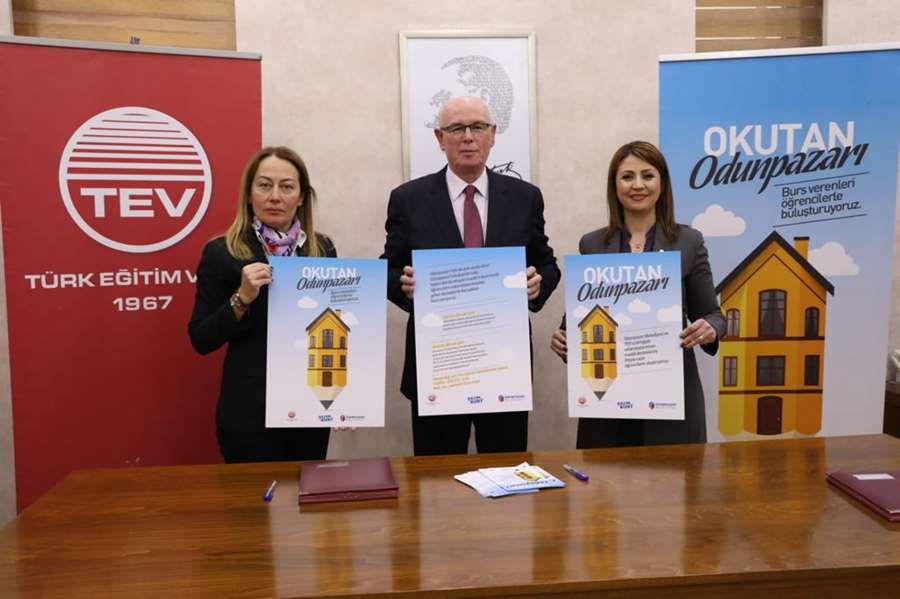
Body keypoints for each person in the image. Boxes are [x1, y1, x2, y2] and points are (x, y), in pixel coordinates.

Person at [381, 96, 560, 456]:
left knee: (506, 475)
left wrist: (536, 284)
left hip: (503, 365)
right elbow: (388, 267)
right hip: (438, 365)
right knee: (437, 481)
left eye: (477, 127)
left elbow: (547, 263)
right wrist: (404, 285)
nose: (467, 137)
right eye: (456, 128)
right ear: (439, 138)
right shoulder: (408, 199)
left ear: (492, 134)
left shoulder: (525, 197)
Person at [550, 140, 725, 448]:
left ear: (662, 183)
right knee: (605, 480)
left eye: (648, 175)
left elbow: (713, 315)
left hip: (672, 398)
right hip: (607, 403)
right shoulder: (592, 244)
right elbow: (579, 319)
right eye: (627, 176)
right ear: (614, 185)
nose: (638, 185)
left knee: (673, 479)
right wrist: (563, 339)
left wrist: (710, 329)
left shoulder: (689, 241)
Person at [189, 146, 336, 463]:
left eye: (287, 187)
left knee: (308, 493)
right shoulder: (222, 252)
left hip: (310, 411)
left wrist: (344, 401)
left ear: (301, 197)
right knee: (254, 497)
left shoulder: (322, 249)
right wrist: (240, 299)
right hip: (250, 415)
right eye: (265, 185)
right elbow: (201, 339)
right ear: (249, 194)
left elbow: (335, 328)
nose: (275, 196)